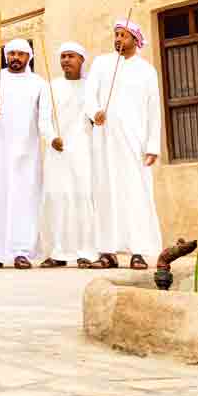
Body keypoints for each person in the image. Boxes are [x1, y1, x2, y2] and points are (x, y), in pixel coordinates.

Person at [85, 19, 163, 270]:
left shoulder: (146, 71)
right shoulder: (101, 64)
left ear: (135, 40)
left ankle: (138, 251)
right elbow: (89, 95)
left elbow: (153, 110)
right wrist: (94, 111)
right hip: (105, 141)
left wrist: (153, 145)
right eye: (116, 34)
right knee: (105, 195)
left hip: (134, 143)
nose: (118, 39)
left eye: (124, 35)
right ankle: (107, 252)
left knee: (135, 195)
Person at [0, 38, 50, 270]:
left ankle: (22, 252)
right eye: (11, 54)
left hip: (27, 152)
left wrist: (52, 138)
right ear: (6, 56)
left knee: (25, 200)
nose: (15, 58)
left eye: (21, 54)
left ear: (29, 57)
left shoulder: (38, 83)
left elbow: (45, 117)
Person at [39, 42, 95, 268]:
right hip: (57, 152)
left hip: (83, 150)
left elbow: (95, 116)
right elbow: (43, 119)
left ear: (81, 59)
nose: (65, 61)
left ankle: (87, 252)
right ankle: (58, 252)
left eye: (71, 56)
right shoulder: (51, 87)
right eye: (62, 56)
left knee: (83, 198)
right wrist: (51, 138)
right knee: (57, 198)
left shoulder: (91, 86)